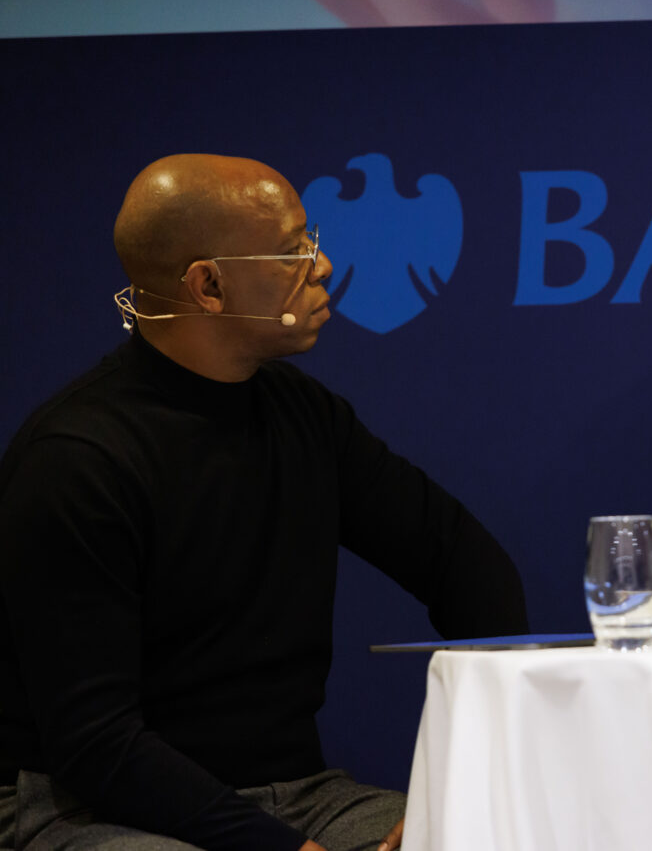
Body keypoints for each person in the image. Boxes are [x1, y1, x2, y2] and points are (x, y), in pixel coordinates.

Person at [0, 154, 530, 850]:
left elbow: (461, 563)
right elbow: (96, 745)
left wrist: (459, 791)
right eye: (292, 250)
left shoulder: (303, 415)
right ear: (209, 285)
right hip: (88, 807)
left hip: (302, 797)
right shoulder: (77, 459)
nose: (324, 265)